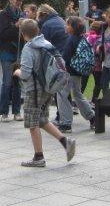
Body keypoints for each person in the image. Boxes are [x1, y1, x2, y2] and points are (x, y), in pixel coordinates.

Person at [14, 19, 76, 167]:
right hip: (48, 88)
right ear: (38, 31)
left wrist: (17, 72)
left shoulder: (29, 48)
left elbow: (26, 73)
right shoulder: (47, 44)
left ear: (23, 34)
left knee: (32, 123)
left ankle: (38, 157)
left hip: (34, 90)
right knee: (41, 119)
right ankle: (65, 142)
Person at [37, 5, 72, 132]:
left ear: (43, 15)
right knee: (69, 92)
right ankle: (88, 117)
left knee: (59, 90)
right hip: (67, 58)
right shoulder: (60, 20)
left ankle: (64, 120)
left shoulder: (47, 25)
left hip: (58, 59)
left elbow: (44, 45)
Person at [0, 0, 24, 123]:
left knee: (17, 83)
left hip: (19, 52)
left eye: (21, 0)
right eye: (17, 0)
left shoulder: (21, 14)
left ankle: (16, 111)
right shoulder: (4, 15)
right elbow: (3, 34)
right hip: (7, 52)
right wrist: (16, 26)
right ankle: (4, 112)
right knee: (7, 82)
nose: (19, 2)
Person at [61, 17, 96, 130]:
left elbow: (65, 57)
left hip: (68, 72)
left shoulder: (71, 39)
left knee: (62, 95)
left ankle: (66, 123)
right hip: (77, 72)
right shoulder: (82, 38)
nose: (66, 27)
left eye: (68, 25)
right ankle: (92, 117)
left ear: (73, 27)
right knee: (77, 94)